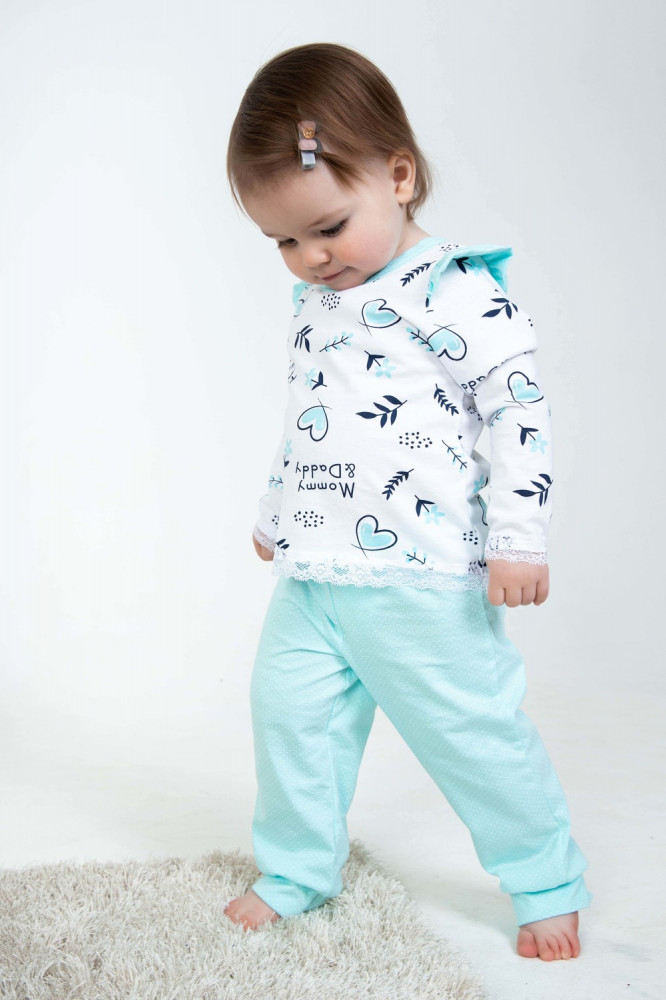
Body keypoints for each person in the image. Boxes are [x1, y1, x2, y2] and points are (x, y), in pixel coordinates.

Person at [223, 42, 590, 961]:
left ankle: (545, 880)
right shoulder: (320, 301)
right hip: (317, 572)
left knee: (473, 735)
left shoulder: (455, 291)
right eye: (284, 242)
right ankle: (297, 870)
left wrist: (519, 538)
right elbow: (315, 417)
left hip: (423, 577)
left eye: (328, 228)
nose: (310, 258)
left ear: (398, 176)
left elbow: (517, 413)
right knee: (290, 719)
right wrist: (276, 509)